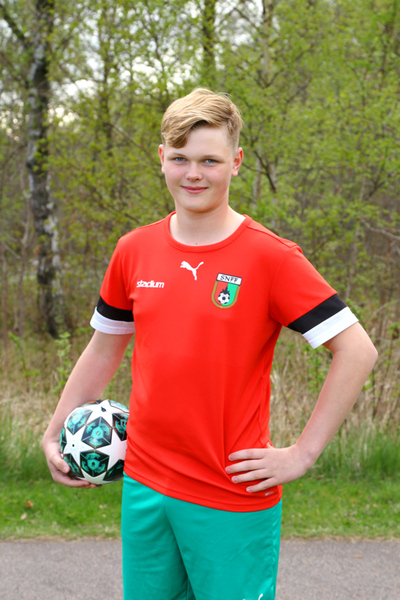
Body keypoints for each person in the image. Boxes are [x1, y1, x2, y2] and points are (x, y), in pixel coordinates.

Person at [42, 88, 378, 600]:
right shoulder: (134, 251)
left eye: (210, 161)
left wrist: (303, 454)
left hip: (230, 492)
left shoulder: (271, 258)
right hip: (146, 485)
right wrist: (54, 433)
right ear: (162, 158)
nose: (193, 173)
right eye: (180, 158)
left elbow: (357, 350)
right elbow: (103, 350)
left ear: (236, 162)